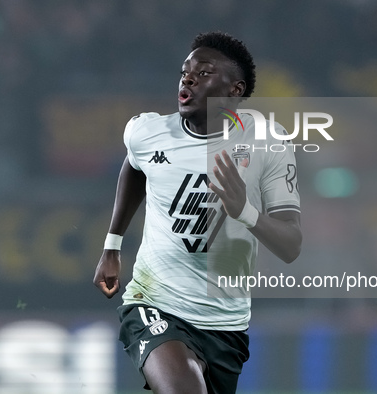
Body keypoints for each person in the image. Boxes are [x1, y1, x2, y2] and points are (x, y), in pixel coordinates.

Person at [93, 31, 301, 394]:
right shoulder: (148, 132)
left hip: (226, 325)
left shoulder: (268, 141)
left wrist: (245, 212)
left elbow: (291, 245)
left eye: (204, 73)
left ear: (234, 90)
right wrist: (112, 245)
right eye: (185, 72)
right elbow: (135, 165)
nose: (188, 78)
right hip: (154, 302)